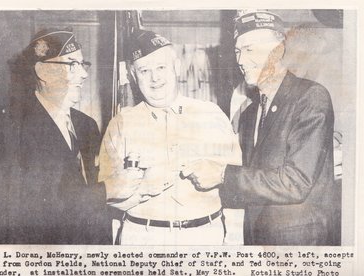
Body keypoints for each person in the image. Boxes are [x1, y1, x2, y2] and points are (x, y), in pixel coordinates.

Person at [182, 11, 337, 245]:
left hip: (299, 245)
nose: (241, 60)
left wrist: (222, 173)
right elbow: (253, 182)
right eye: (237, 51)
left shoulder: (310, 97)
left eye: (250, 49)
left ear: (279, 50)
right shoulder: (249, 113)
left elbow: (295, 183)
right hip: (256, 240)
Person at [98, 29, 242, 245]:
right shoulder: (121, 124)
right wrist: (140, 191)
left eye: (161, 67)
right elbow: (102, 195)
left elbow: (238, 180)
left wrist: (235, 237)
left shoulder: (211, 114)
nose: (154, 78)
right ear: (133, 76)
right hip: (142, 237)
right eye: (144, 70)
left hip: (205, 236)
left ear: (176, 66)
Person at [9, 28, 111, 244]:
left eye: (83, 65)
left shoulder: (87, 125)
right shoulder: (15, 129)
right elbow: (38, 208)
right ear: (43, 71)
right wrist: (109, 191)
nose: (83, 74)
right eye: (72, 65)